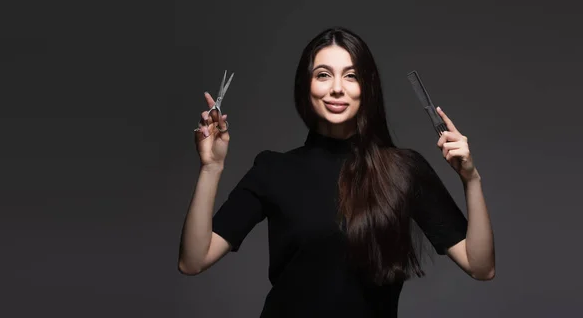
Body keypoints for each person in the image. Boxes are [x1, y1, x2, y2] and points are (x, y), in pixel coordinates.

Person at [178, 27, 495, 317]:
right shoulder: (273, 170)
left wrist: (471, 178)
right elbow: (193, 261)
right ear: (307, 87)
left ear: (366, 88)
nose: (337, 89)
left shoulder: (403, 170)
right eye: (323, 75)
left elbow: (481, 267)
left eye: (351, 76)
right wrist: (211, 167)